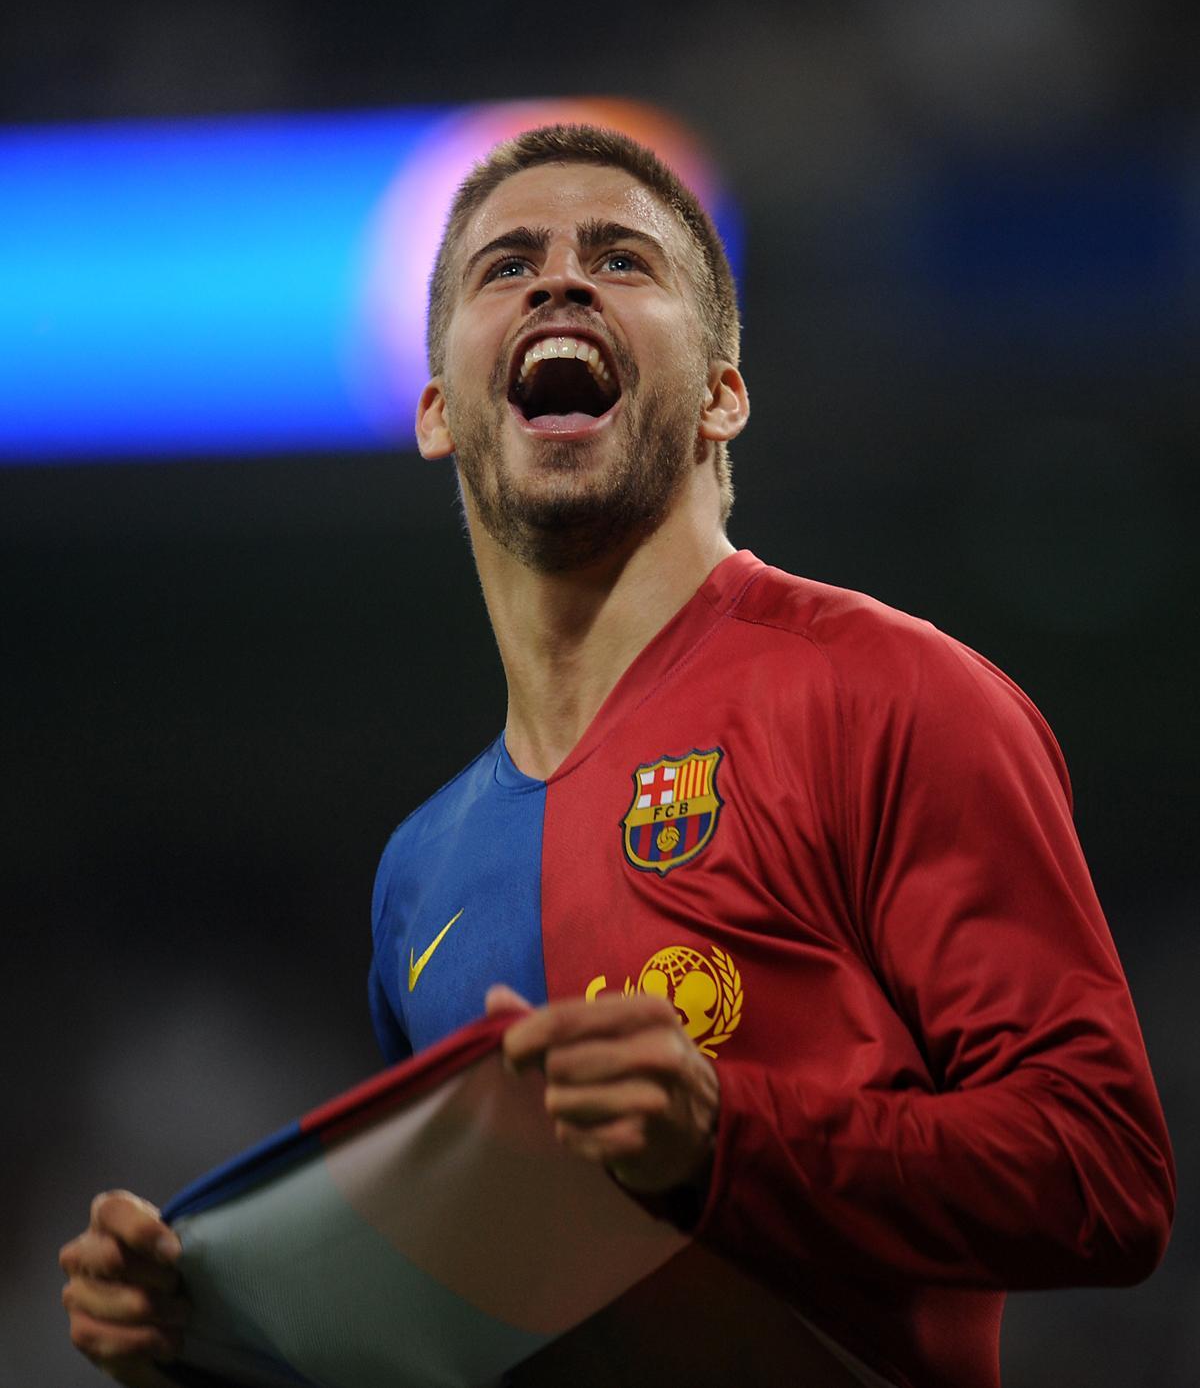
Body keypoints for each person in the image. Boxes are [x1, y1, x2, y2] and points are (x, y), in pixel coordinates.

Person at [62, 124, 1175, 1388]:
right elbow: (471, 1336)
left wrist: (721, 1138)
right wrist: (212, 1337)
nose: (559, 281)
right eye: (505, 267)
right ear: (436, 409)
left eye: (621, 259)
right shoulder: (416, 878)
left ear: (720, 394)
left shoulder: (892, 693)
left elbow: (1105, 1175)